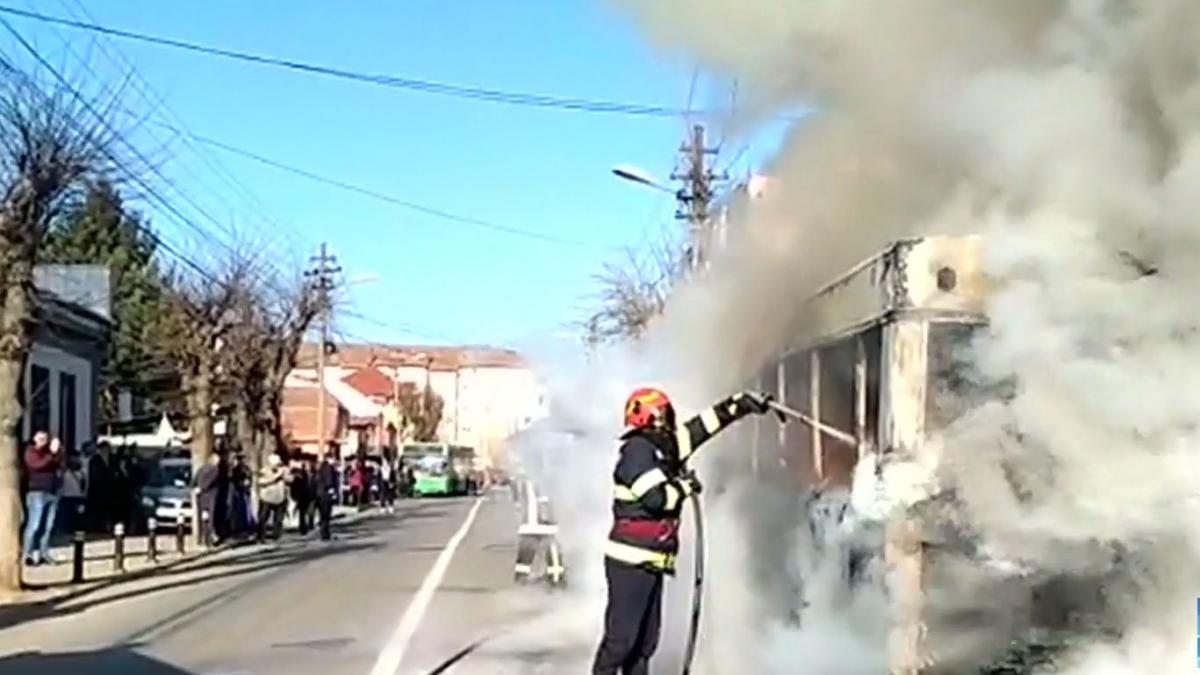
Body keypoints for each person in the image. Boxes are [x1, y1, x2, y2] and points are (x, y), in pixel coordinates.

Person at [592, 387, 773, 675]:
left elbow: (702, 428)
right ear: (647, 417)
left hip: (651, 560)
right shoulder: (637, 451)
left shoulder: (664, 447)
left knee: (644, 645)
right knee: (621, 642)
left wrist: (739, 404)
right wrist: (684, 486)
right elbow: (656, 499)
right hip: (630, 562)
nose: (669, 418)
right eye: (663, 412)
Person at [22, 432, 62, 566]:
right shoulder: (30, 452)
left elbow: (59, 463)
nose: (43, 442)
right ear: (34, 439)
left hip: (52, 492)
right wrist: (51, 454)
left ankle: (44, 553)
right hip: (36, 492)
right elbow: (37, 465)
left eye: (45, 439)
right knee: (34, 525)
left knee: (48, 526)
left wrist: (57, 452)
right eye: (40, 439)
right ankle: (27, 553)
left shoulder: (49, 453)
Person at [257, 454, 288, 542]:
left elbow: (291, 480)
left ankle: (276, 535)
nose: (277, 466)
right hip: (266, 498)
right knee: (263, 518)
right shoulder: (264, 471)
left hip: (279, 498)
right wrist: (276, 476)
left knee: (278, 518)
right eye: (276, 464)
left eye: (278, 464)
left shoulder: (282, 471)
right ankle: (261, 536)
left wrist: (286, 475)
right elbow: (261, 481)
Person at [193, 453, 222, 546]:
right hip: (210, 497)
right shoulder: (215, 470)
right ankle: (209, 539)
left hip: (200, 496)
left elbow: (195, 479)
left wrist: (195, 487)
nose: (218, 462)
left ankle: (202, 539)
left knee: (203, 518)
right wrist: (201, 488)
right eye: (218, 461)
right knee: (210, 518)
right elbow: (210, 481)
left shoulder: (202, 468)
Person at [86, 441, 114, 533]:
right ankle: (98, 526)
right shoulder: (95, 460)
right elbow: (93, 475)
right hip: (98, 488)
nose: (106, 450)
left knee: (109, 509)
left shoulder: (112, 459)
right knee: (98, 509)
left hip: (110, 488)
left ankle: (107, 526)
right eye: (104, 449)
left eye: (108, 449)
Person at [59, 451, 88, 535]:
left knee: (77, 517)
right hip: (68, 496)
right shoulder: (65, 471)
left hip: (77, 496)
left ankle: (75, 532)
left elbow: (85, 484)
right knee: (69, 517)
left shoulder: (82, 472)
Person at [315, 445, 339, 541]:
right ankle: (325, 534)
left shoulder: (322, 467)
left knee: (323, 515)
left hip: (320, 494)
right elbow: (329, 481)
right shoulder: (328, 468)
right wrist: (332, 490)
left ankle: (324, 533)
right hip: (326, 495)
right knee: (326, 515)